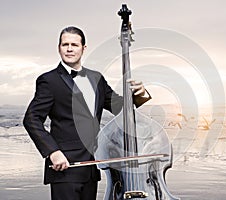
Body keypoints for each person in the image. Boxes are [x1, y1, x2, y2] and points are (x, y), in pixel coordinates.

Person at [23, 26, 151, 200]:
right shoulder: (49, 80)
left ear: (83, 48)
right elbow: (31, 119)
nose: (69, 49)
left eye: (74, 45)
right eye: (64, 44)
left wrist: (140, 94)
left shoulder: (96, 78)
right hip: (65, 168)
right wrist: (53, 152)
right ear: (59, 48)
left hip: (91, 169)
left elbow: (121, 108)